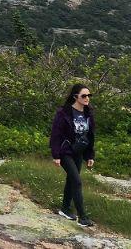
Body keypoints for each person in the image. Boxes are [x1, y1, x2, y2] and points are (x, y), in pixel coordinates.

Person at [50, 83, 96, 227]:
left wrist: (90, 156)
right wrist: (56, 155)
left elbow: (90, 137)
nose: (87, 98)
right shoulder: (63, 113)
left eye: (89, 95)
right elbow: (55, 135)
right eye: (84, 95)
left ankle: (65, 209)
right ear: (75, 96)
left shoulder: (88, 114)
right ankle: (83, 217)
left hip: (78, 152)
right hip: (65, 152)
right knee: (76, 181)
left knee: (71, 180)